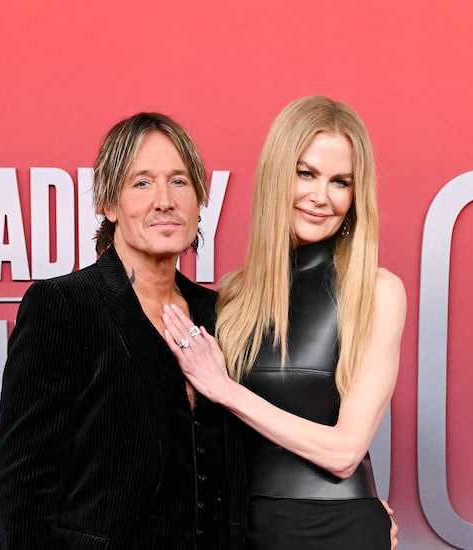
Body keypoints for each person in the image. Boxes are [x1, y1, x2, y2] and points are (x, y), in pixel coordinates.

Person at [162, 96, 405, 549]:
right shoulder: (233, 296)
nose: (321, 197)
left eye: (340, 182)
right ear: (277, 176)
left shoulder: (377, 291)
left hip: (339, 530)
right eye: (306, 173)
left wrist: (225, 389)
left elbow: (345, 452)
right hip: (241, 528)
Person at [0, 112, 245, 549]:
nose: (164, 200)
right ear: (109, 204)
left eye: (179, 181)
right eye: (142, 183)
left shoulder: (220, 313)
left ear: (200, 199)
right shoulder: (64, 305)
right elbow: (24, 494)